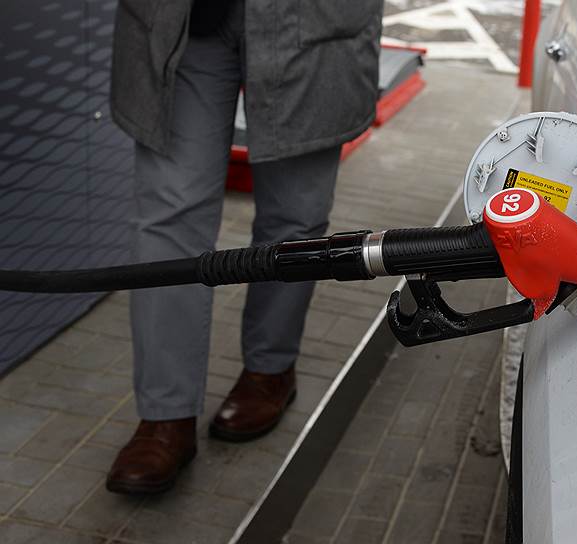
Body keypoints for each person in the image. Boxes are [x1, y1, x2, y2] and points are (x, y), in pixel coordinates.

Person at [105, 0, 383, 494]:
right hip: (181, 17)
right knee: (169, 217)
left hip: (312, 17)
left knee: (294, 216)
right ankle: (165, 415)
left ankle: (270, 369)